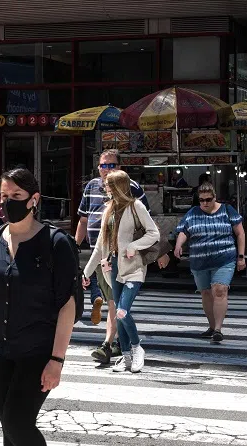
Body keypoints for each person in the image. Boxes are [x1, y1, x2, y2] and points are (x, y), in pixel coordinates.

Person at [0, 168, 76, 446]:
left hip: (36, 353)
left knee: (17, 423)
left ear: (33, 199)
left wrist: (57, 361)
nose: (7, 202)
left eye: (16, 195)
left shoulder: (56, 243)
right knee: (9, 430)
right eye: (3, 196)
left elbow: (68, 305)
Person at [75, 149, 150, 364]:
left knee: (117, 305)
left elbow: (147, 226)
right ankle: (120, 346)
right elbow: (83, 220)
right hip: (102, 255)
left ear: (120, 167)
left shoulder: (132, 190)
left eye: (111, 165)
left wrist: (139, 248)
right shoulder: (93, 189)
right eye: (103, 165)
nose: (107, 170)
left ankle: (112, 344)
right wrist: (75, 247)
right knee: (114, 303)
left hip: (125, 259)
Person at [174, 182, 246, 344]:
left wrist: (241, 256)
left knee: (219, 290)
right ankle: (212, 326)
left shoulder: (227, 210)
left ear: (215, 197)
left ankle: (218, 329)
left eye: (208, 199)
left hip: (224, 258)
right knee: (206, 293)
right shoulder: (193, 213)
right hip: (200, 261)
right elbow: (183, 230)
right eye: (201, 200)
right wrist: (179, 245)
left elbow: (240, 233)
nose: (205, 203)